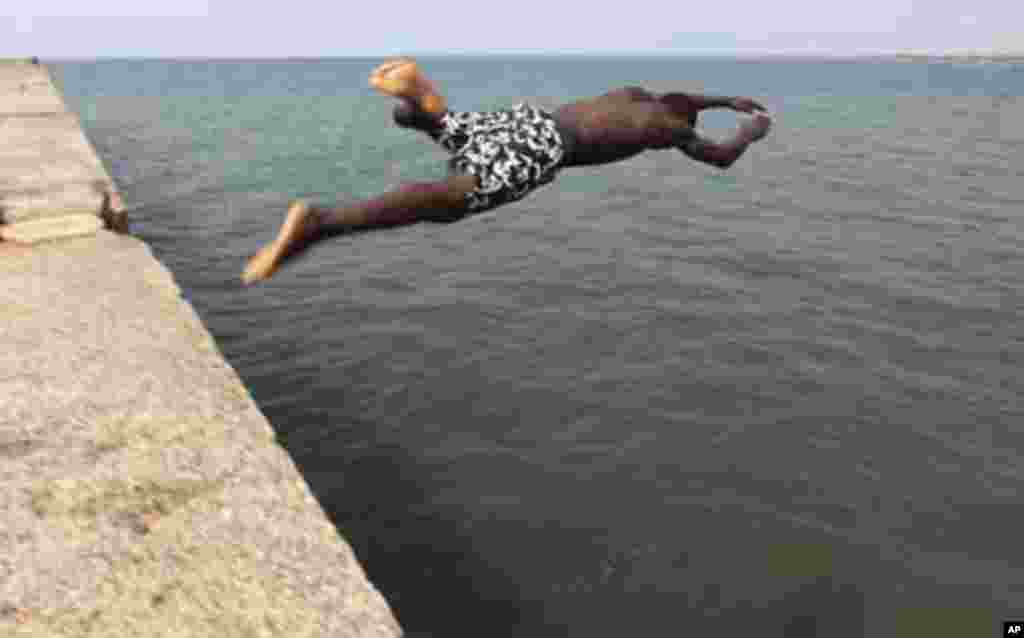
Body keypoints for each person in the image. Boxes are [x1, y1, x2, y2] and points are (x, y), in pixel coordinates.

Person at [242, 58, 772, 284]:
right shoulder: (671, 130)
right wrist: (751, 131)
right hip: (546, 144)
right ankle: (322, 224)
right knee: (454, 199)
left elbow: (686, 97)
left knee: (458, 137)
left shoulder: (632, 94)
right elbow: (720, 157)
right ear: (680, 123)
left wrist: (728, 98)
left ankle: (424, 109)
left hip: (522, 117)